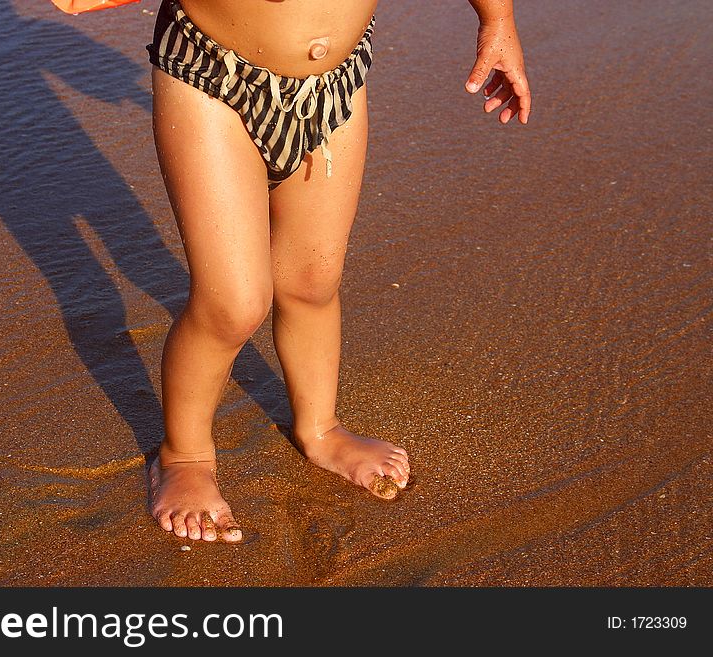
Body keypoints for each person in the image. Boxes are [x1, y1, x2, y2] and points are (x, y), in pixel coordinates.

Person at [145, 0, 531, 542]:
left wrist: (498, 21)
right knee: (233, 303)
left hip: (335, 85)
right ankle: (183, 456)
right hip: (212, 76)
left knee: (312, 282)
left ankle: (321, 428)